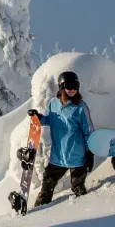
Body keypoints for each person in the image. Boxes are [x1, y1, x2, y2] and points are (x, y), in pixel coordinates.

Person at [27, 71, 94, 206]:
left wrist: (89, 152)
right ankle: (38, 212)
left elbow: (89, 132)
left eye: (75, 85)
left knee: (78, 189)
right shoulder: (53, 103)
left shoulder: (81, 107)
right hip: (57, 156)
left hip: (77, 157)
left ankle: (84, 216)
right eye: (68, 86)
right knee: (47, 186)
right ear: (61, 87)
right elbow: (51, 120)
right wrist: (39, 118)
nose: (72, 89)